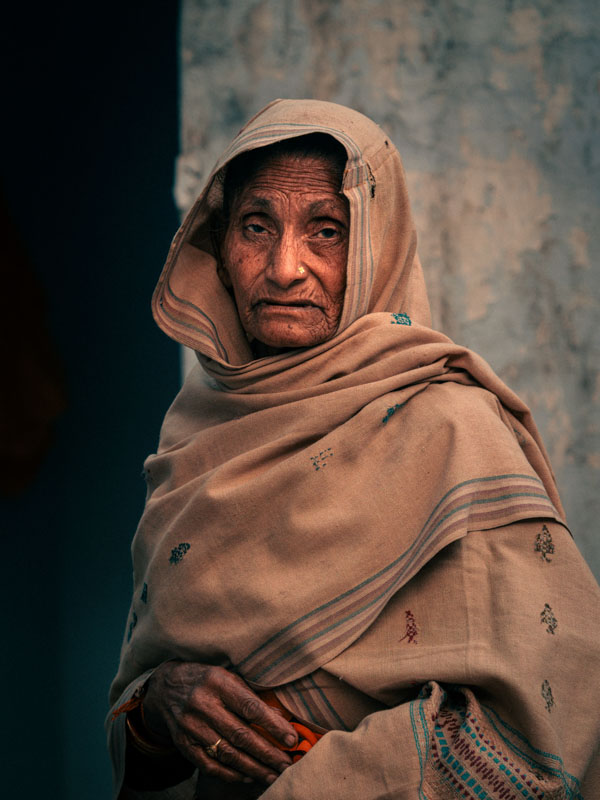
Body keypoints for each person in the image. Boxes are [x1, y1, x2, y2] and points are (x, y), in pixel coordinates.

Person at [107, 99, 600, 800]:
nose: (284, 268)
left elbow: (556, 704)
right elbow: (140, 726)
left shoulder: (454, 431)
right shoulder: (197, 439)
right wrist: (159, 707)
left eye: (327, 231)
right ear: (219, 245)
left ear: (378, 245)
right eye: (256, 227)